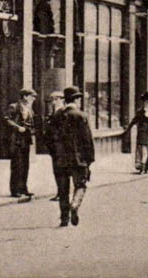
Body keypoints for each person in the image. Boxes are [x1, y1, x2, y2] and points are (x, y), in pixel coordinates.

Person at [51, 86, 94, 227]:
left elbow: (47, 137)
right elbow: (87, 140)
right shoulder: (81, 116)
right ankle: (75, 205)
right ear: (76, 99)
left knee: (62, 190)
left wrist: (55, 153)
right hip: (78, 158)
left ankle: (64, 218)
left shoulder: (56, 116)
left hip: (60, 159)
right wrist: (89, 159)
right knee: (80, 184)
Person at [3, 88, 36, 198]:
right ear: (25, 96)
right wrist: (18, 128)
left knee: (25, 165)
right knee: (16, 165)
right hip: (16, 139)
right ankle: (15, 190)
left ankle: (23, 188)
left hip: (25, 139)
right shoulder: (14, 106)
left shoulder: (29, 109)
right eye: (32, 96)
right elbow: (6, 120)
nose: (33, 99)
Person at [125, 91, 148, 174]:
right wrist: (128, 129)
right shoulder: (140, 112)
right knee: (142, 149)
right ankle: (142, 166)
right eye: (147, 101)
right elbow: (134, 120)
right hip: (142, 132)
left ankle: (147, 166)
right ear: (144, 102)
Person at [43, 91, 65, 201]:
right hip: (54, 146)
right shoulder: (54, 112)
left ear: (62, 100)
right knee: (57, 170)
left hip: (60, 146)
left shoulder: (63, 112)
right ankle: (60, 192)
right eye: (53, 99)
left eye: (56, 99)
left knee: (60, 170)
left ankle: (62, 193)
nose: (54, 102)